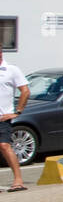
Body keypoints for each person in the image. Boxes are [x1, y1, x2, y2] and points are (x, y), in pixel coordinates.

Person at [0, 46, 31, 192]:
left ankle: (18, 180)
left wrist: (17, 112)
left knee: (4, 146)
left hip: (3, 117)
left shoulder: (11, 70)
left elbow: (25, 91)